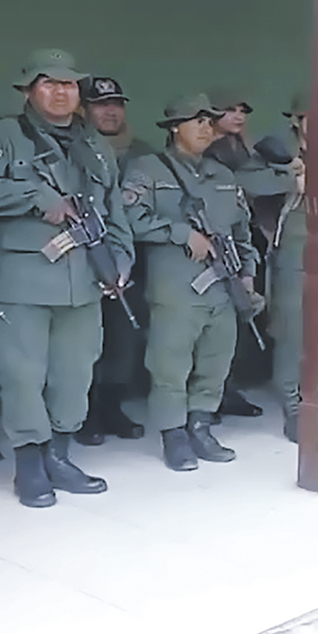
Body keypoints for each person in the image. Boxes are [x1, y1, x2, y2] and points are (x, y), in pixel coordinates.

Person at [0, 49, 135, 507]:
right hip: (25, 281)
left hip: (84, 280)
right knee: (23, 375)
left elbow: (113, 210)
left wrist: (122, 259)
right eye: (49, 83)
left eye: (69, 85)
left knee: (74, 374)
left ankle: (60, 457)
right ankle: (29, 467)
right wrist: (34, 195)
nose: (60, 92)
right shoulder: (7, 134)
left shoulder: (94, 144)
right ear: (29, 90)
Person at [121, 94, 260, 472]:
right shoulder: (147, 169)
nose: (205, 127)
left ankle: (201, 425)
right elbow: (129, 217)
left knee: (216, 360)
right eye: (195, 120)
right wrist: (181, 233)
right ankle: (174, 435)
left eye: (209, 121)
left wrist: (247, 272)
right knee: (170, 364)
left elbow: (241, 231)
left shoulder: (222, 175)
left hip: (223, 287)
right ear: (173, 128)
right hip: (176, 289)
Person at [77, 75, 152, 446]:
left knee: (123, 339)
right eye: (100, 104)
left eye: (116, 104)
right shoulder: (72, 149)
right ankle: (84, 413)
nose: (110, 110)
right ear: (82, 109)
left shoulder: (141, 152)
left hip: (130, 259)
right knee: (83, 341)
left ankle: (111, 407)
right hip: (81, 259)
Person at [203, 87, 268, 419]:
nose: (239, 116)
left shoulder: (243, 149)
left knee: (240, 318)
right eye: (230, 110)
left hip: (244, 238)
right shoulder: (208, 152)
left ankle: (228, 390)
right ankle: (210, 397)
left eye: (243, 110)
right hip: (213, 242)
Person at [256, 93, 309, 442]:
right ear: (297, 121)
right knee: (291, 335)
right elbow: (251, 187)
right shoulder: (282, 159)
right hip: (292, 258)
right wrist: (292, 178)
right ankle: (292, 407)